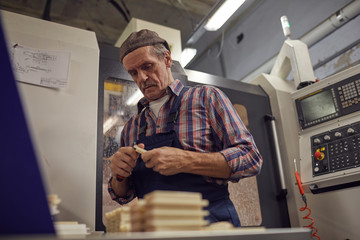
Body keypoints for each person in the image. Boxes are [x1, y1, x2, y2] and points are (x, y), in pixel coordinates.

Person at [108, 29, 263, 227]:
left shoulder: (206, 98)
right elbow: (123, 195)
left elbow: (251, 158)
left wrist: (186, 160)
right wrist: (119, 176)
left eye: (147, 66)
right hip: (155, 231)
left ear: (167, 60)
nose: (142, 78)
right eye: (133, 73)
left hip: (212, 227)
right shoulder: (131, 127)